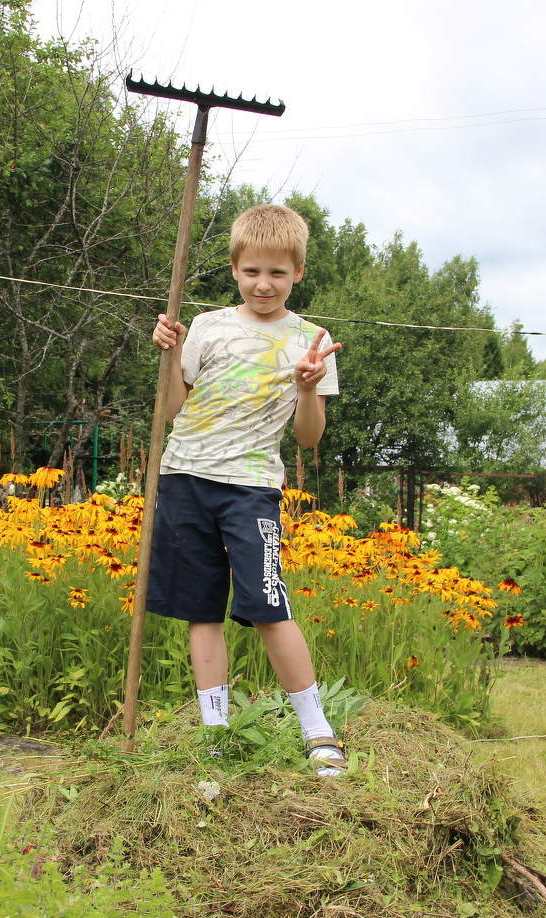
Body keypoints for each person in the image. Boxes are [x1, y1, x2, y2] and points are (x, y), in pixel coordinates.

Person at [147, 203, 346, 775]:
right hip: (184, 479)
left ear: (298, 274)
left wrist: (308, 389)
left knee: (267, 604)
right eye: (253, 271)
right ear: (234, 268)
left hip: (251, 489)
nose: (264, 284)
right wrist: (166, 355)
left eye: (278, 273)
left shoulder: (311, 341)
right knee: (200, 610)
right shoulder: (207, 327)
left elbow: (308, 440)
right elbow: (171, 410)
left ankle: (318, 730)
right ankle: (216, 732)